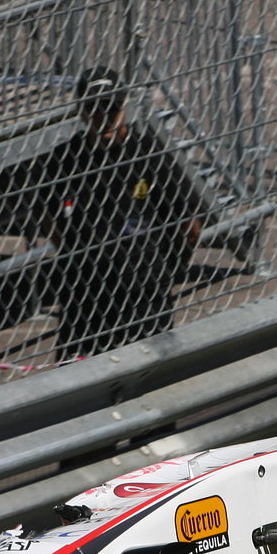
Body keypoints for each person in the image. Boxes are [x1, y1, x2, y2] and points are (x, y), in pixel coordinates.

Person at [43, 66, 203, 356]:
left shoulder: (148, 152)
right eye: (92, 109)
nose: (101, 118)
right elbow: (52, 224)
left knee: (150, 371)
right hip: (85, 295)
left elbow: (188, 225)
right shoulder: (63, 160)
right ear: (80, 111)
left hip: (143, 289)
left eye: (110, 109)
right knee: (78, 379)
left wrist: (166, 269)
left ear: (125, 106)